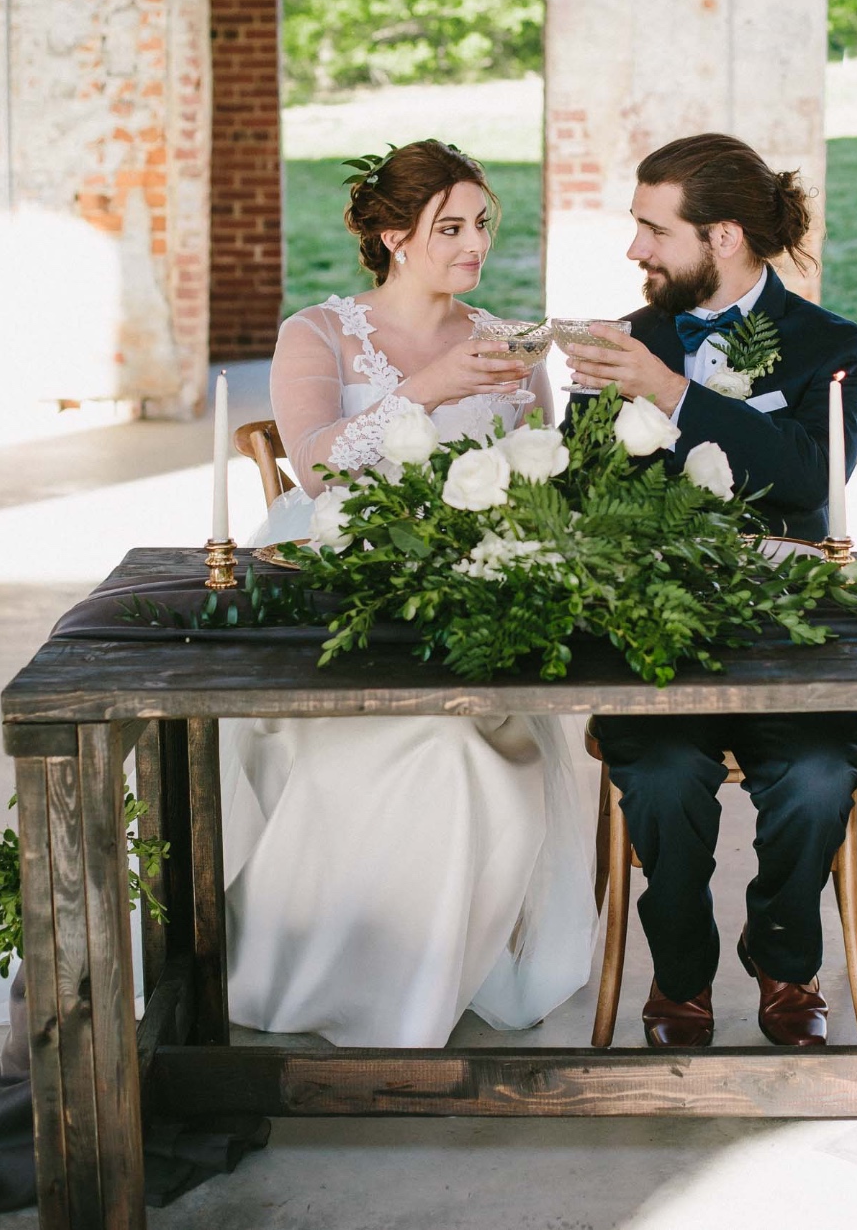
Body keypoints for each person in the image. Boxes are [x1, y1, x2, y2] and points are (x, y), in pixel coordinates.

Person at [222, 139, 599, 1048]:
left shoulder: (508, 343)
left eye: (482, 225)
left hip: (474, 602)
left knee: (475, 755)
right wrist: (426, 391)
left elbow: (544, 484)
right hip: (344, 599)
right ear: (394, 235)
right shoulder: (317, 333)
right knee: (429, 755)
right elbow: (313, 469)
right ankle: (356, 984)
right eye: (451, 227)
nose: (475, 245)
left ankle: (436, 976)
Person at [566, 132, 857, 1051]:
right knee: (661, 779)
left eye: (653, 231)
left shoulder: (833, 346)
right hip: (652, 641)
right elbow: (580, 499)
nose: (636, 251)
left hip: (792, 644)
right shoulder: (623, 341)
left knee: (821, 777)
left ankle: (785, 957)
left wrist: (672, 396)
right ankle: (681, 974)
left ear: (726, 235)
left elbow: (815, 485)